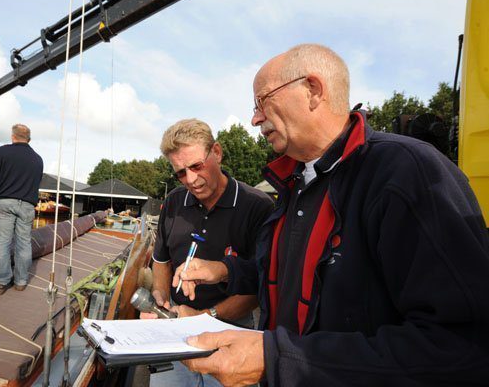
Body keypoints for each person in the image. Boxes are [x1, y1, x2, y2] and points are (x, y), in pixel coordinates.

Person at [174, 44, 489, 386]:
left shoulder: (406, 173)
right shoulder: (296, 185)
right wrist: (221, 270)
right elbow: (288, 275)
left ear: (313, 90)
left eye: (263, 101)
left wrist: (277, 359)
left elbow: (463, 348)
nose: (254, 118)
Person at [143, 118, 274, 387]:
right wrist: (159, 297)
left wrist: (206, 316)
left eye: (196, 166)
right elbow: (161, 260)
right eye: (180, 172)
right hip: (176, 329)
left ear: (217, 152)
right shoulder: (174, 203)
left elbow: (259, 284)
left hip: (232, 335)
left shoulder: (257, 207)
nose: (190, 179)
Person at [0, 124, 43, 295]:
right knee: (24, 243)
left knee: (1, 243)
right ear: (29, 139)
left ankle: (1, 281)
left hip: (4, 203)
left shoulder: (3, 152)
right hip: (27, 205)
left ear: (13, 137)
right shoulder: (37, 159)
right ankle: (20, 281)